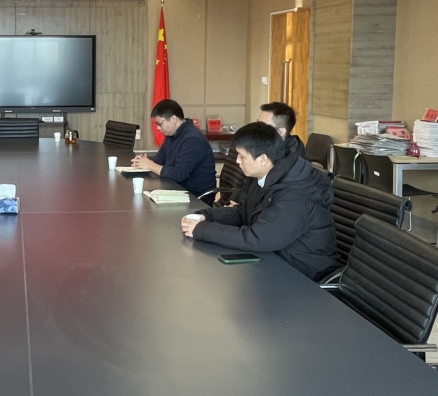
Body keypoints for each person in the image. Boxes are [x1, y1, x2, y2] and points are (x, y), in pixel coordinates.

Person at [181, 122, 340, 281]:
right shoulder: (264, 177)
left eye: (242, 156)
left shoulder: (295, 194)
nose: (237, 161)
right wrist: (206, 216)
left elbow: (258, 239)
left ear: (262, 159)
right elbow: (243, 213)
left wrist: (202, 230)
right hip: (275, 263)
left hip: (305, 277)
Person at [131, 99, 216, 203]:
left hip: (195, 198)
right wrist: (144, 160)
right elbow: (160, 159)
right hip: (176, 190)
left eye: (159, 123)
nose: (158, 128)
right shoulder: (172, 134)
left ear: (173, 119)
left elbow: (178, 174)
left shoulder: (192, 139)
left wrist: (149, 165)